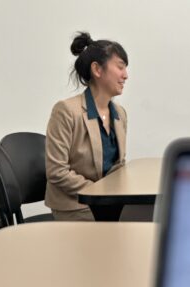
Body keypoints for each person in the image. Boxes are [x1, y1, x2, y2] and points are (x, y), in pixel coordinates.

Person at [45, 32, 128, 221]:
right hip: (76, 205)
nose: (126, 75)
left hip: (107, 203)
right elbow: (57, 171)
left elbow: (117, 166)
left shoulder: (120, 114)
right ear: (97, 70)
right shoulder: (65, 110)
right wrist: (97, 193)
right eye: (120, 67)